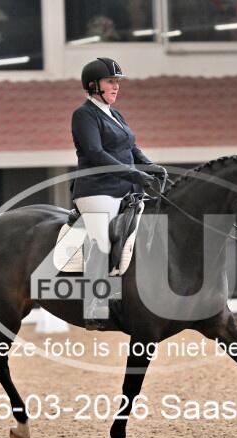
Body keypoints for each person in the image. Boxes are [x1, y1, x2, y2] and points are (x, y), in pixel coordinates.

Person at [71, 57, 156, 330]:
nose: (116, 86)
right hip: (97, 191)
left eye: (117, 82)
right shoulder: (84, 115)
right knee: (102, 241)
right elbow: (96, 153)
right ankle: (94, 306)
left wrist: (151, 167)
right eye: (111, 81)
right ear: (93, 85)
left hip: (126, 189)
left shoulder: (115, 114)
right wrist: (134, 174)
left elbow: (131, 148)